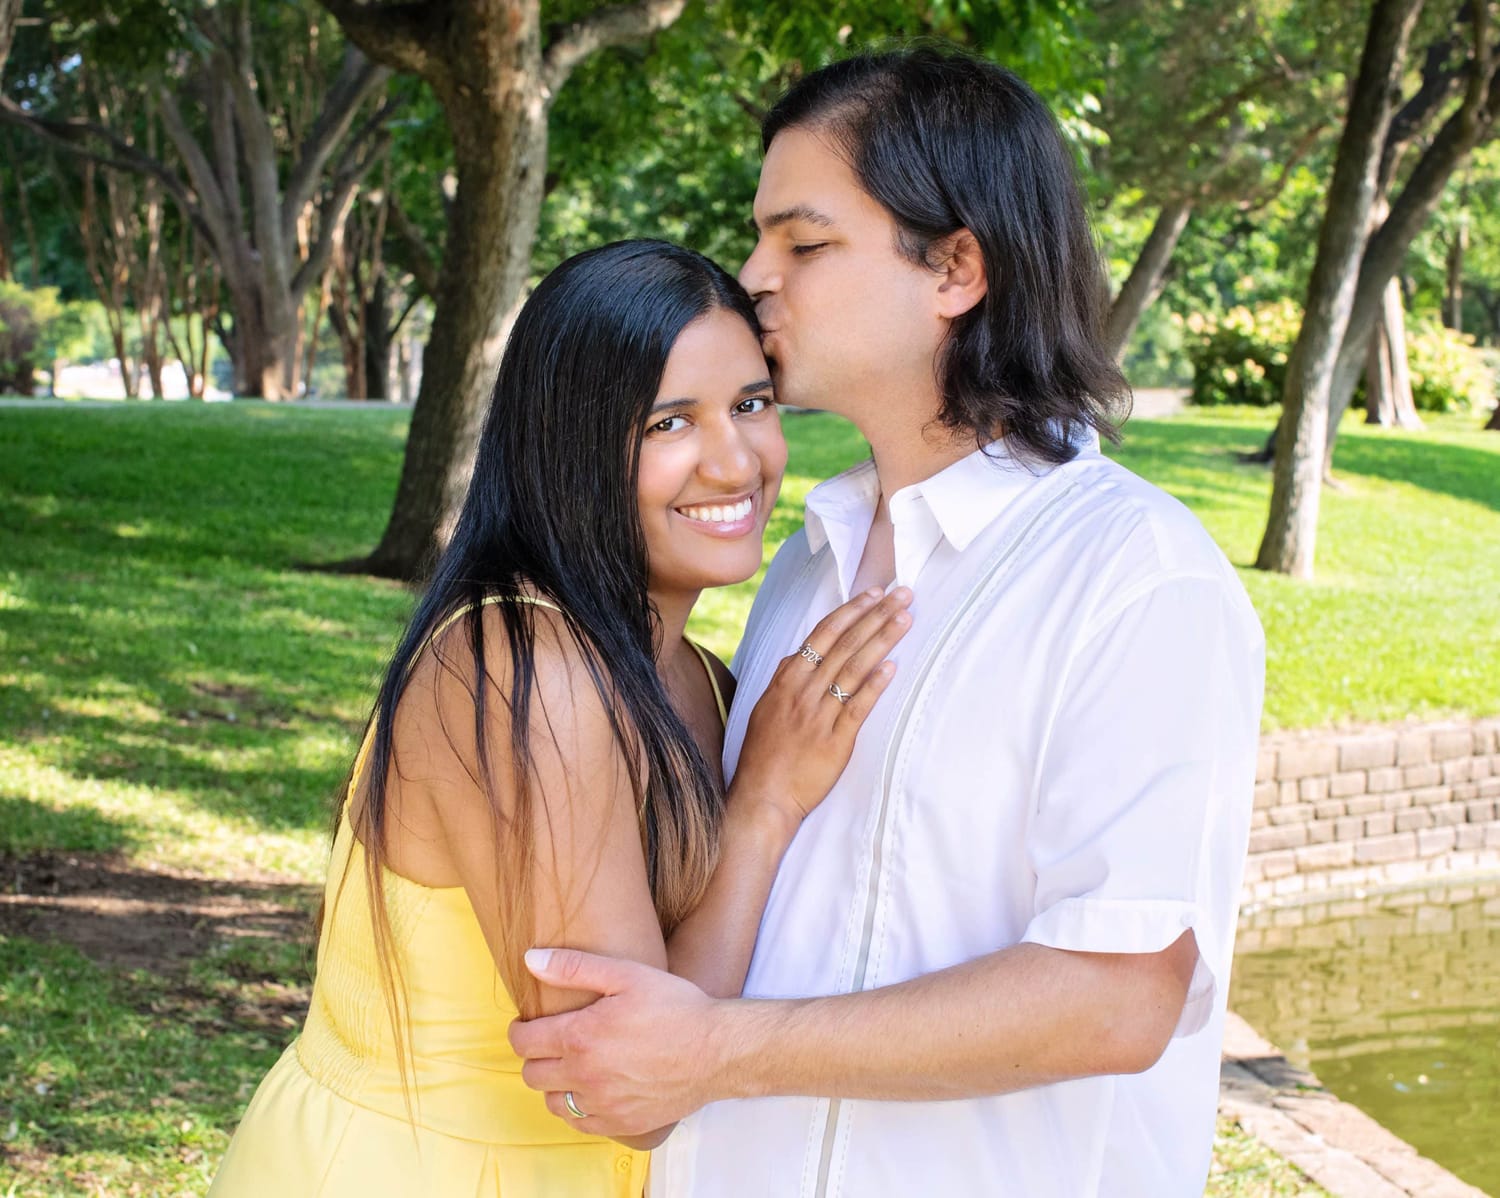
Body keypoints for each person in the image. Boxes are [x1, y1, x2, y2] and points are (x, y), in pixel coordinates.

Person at [509, 50, 1266, 1197]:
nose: (755, 275)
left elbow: (1117, 996)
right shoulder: (799, 567)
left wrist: (714, 1048)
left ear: (956, 266)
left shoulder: (1137, 580)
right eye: (762, 238)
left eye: (804, 244)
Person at [207, 239, 912, 1197]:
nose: (735, 458)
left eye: (751, 404)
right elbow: (623, 1086)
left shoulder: (696, 679)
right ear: (571, 440)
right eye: (669, 422)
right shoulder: (522, 664)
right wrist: (765, 807)